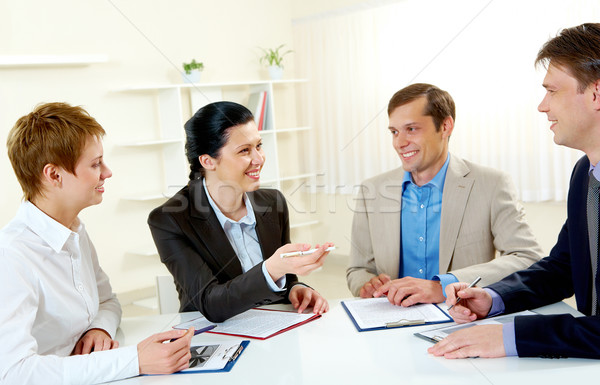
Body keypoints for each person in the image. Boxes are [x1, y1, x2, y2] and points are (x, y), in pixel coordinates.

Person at [429, 23, 600, 360]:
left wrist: (511, 337)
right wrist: (493, 298)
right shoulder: (584, 175)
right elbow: (561, 268)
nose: (542, 106)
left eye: (552, 91)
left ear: (596, 94)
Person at [0, 103, 194, 384]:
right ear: (54, 175)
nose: (107, 172)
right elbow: (12, 372)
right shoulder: (12, 256)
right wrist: (134, 361)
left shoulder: (75, 231)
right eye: (95, 164)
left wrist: (99, 330)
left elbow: (107, 301)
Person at [346, 83, 543, 306]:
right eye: (394, 132)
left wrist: (445, 285)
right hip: (391, 319)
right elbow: (358, 269)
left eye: (411, 129)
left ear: (446, 126)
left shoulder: (492, 184)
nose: (399, 143)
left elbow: (527, 258)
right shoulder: (371, 190)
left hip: (460, 318)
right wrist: (366, 283)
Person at [148, 101, 332, 323]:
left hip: (273, 330)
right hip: (213, 334)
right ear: (207, 161)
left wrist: (296, 288)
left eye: (259, 146)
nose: (259, 159)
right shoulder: (170, 220)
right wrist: (271, 269)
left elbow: (286, 277)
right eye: (244, 150)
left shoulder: (274, 203)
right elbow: (211, 303)